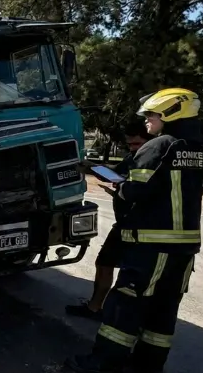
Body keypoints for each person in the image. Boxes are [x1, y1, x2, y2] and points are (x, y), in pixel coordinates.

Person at [67, 88, 203, 373]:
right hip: (185, 250)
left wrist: (120, 188)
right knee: (163, 312)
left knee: (125, 307)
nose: (146, 121)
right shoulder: (200, 149)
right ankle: (147, 365)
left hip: (151, 247)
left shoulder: (159, 145)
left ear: (170, 114)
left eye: (151, 115)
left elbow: (135, 190)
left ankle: (102, 364)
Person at [65, 124, 152, 321]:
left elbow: (138, 190)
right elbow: (115, 174)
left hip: (137, 225)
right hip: (124, 223)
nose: (132, 147)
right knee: (104, 264)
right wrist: (93, 168)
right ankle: (96, 308)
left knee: (128, 272)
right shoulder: (134, 157)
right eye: (129, 143)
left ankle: (113, 313)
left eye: (136, 143)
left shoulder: (151, 159)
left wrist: (120, 187)